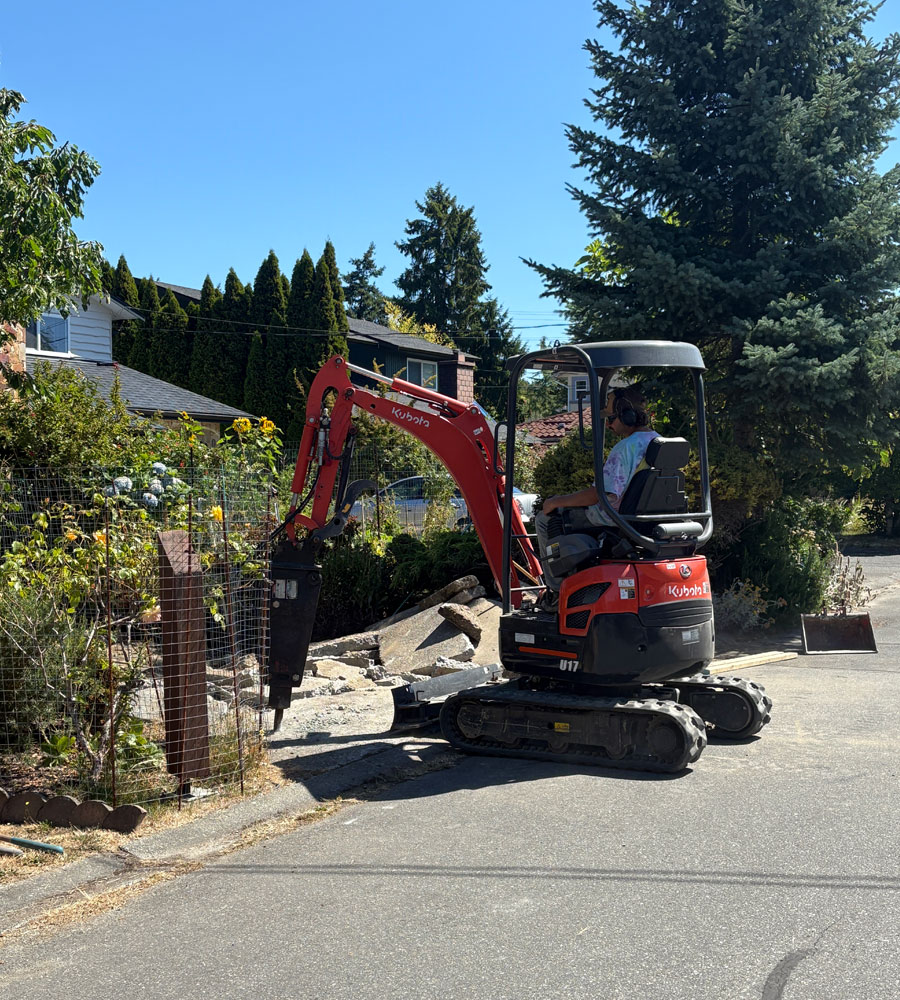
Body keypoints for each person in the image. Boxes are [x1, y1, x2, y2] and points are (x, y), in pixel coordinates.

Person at [534, 385, 657, 599]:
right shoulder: (658, 442)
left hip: (613, 519)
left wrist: (556, 501)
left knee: (545, 519)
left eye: (611, 418)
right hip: (644, 518)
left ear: (628, 416)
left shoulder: (626, 448)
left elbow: (600, 494)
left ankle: (557, 591)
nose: (608, 424)